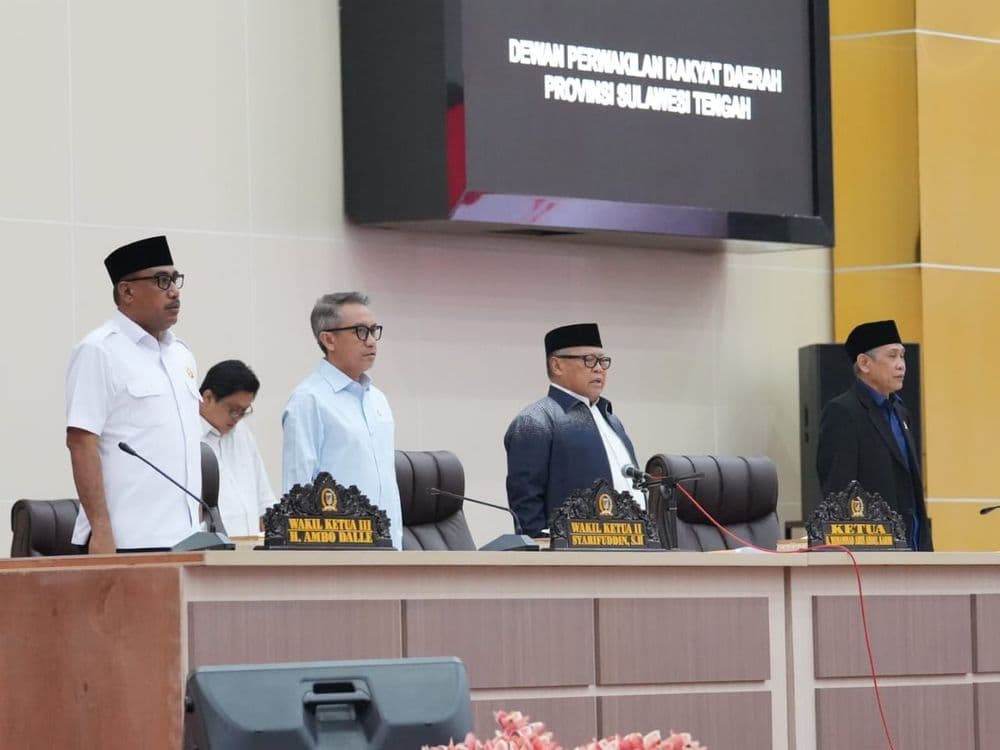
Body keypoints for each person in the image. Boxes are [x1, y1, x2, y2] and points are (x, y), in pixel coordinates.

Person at [66, 236, 201, 553]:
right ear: (126, 291)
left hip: (186, 539)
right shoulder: (99, 350)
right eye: (161, 280)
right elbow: (81, 442)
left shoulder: (181, 354)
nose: (174, 291)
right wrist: (101, 529)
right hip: (128, 540)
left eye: (175, 279)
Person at [281, 292, 402, 549]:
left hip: (390, 548)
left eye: (373, 331)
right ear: (329, 339)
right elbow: (297, 492)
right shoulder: (309, 400)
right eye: (360, 331)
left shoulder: (377, 399)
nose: (371, 342)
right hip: (339, 553)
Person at [504, 323, 639, 537]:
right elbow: (526, 504)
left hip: (632, 548)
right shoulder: (536, 419)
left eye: (603, 361)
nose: (598, 368)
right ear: (557, 366)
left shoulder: (613, 421)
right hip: (573, 558)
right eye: (588, 360)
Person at [816, 319, 932, 551]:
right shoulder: (844, 412)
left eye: (902, 356)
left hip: (913, 547)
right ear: (864, 363)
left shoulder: (901, 412)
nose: (901, 365)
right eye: (892, 356)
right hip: (874, 554)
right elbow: (839, 495)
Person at [199, 360, 276, 537]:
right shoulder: (186, 435)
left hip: (249, 552)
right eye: (233, 410)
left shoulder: (242, 433)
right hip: (209, 553)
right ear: (208, 397)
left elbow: (264, 501)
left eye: (244, 411)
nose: (238, 418)